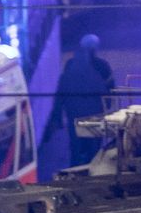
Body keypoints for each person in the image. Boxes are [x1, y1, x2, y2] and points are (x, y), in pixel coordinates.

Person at [47, 34, 114, 166]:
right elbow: (110, 90)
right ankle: (92, 169)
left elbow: (62, 90)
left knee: (76, 146)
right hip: (95, 114)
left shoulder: (70, 65)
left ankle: (76, 169)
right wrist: (106, 107)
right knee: (94, 146)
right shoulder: (103, 66)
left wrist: (57, 115)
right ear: (96, 48)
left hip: (74, 114)